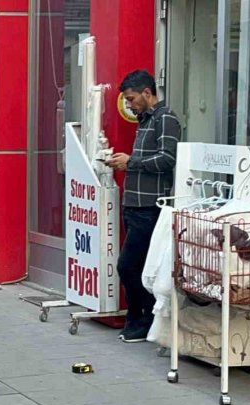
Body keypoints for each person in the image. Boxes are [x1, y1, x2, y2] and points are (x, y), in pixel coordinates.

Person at [106, 70, 181, 343]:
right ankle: (137, 319)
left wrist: (131, 162)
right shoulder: (145, 120)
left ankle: (144, 318)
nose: (129, 104)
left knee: (128, 265)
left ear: (147, 93)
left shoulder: (166, 118)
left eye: (132, 98)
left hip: (150, 206)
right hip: (134, 203)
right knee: (135, 265)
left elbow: (167, 159)